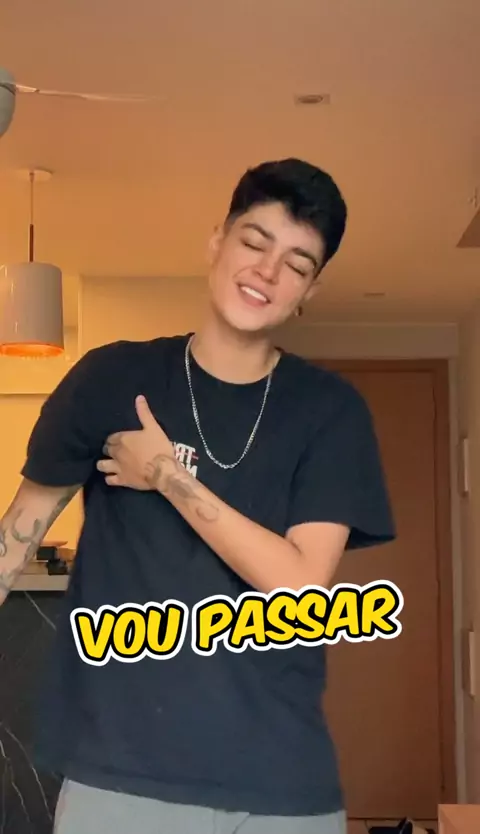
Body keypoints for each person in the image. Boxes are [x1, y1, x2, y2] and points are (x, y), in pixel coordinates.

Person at [0, 158, 395, 834]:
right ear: (217, 241)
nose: (267, 272)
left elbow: (300, 586)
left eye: (296, 263)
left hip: (279, 788)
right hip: (119, 778)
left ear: (310, 289)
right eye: (254, 241)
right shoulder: (110, 378)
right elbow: (18, 537)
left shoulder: (330, 412)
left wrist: (168, 475)